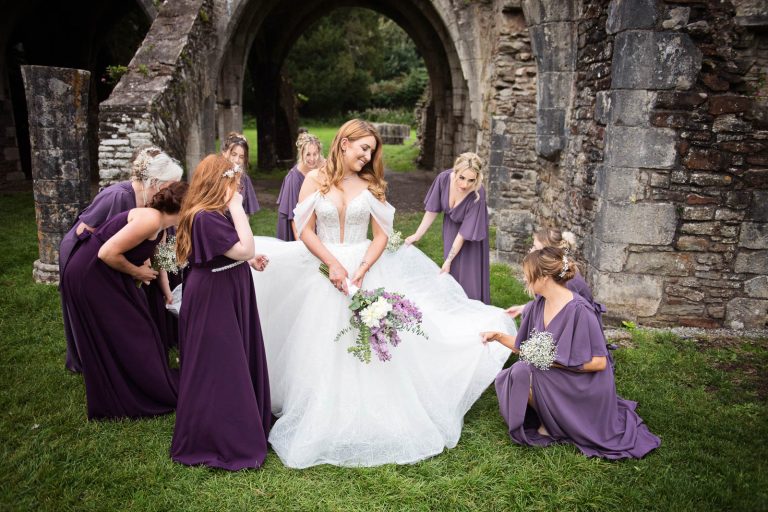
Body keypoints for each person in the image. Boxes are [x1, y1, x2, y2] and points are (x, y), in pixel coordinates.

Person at [250, 120, 515, 468]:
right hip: (322, 269)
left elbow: (379, 235)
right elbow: (304, 229)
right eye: (363, 149)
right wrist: (331, 263)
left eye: (371, 152)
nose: (367, 156)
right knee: (320, 340)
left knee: (371, 344)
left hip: (365, 268)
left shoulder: (371, 184)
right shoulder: (314, 179)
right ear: (344, 143)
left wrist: (361, 268)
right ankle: (320, 405)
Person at [482, 246, 661, 459]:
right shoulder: (537, 306)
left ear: (545, 277)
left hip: (583, 382)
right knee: (516, 374)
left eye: (527, 274)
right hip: (556, 374)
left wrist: (553, 362)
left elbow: (599, 363)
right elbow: (526, 348)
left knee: (524, 370)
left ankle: (560, 424)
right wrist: (498, 337)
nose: (524, 278)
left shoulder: (580, 311)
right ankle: (552, 421)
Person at [171, 155, 271, 471]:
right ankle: (221, 434)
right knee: (220, 363)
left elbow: (230, 252)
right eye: (233, 182)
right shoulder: (205, 216)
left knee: (231, 356)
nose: (237, 187)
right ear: (219, 183)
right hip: (214, 294)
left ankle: (244, 419)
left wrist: (245, 261)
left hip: (226, 283)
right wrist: (238, 207)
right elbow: (245, 247)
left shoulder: (213, 213)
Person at [60, 181, 188, 419]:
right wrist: (136, 272)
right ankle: (130, 391)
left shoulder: (162, 227)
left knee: (141, 328)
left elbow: (159, 263)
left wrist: (168, 293)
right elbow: (106, 253)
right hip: (90, 275)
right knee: (130, 331)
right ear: (183, 208)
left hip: (109, 276)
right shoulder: (150, 219)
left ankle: (141, 382)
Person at [59, 147, 183, 373]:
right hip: (83, 252)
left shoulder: (158, 204)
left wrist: (166, 289)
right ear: (156, 182)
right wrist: (134, 268)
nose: (173, 190)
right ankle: (86, 359)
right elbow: (92, 235)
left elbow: (160, 248)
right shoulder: (118, 197)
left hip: (116, 257)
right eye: (172, 183)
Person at [405, 153, 491, 304]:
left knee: (467, 280)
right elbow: (432, 209)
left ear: (477, 178)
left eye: (471, 180)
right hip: (451, 230)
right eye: (462, 177)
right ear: (455, 171)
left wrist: (449, 260)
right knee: (450, 276)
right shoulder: (443, 179)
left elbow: (463, 234)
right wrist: (417, 235)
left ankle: (469, 313)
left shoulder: (478, 193)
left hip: (470, 237)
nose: (465, 184)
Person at [505, 228, 605, 323]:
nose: (531, 251)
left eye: (536, 248)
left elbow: (567, 318)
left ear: (549, 253)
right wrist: (522, 309)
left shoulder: (566, 282)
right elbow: (547, 301)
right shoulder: (552, 274)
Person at [276, 132, 323, 241]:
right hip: (296, 223)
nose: (312, 159)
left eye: (315, 154)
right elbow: (294, 215)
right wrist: (299, 242)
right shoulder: (294, 178)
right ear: (301, 154)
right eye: (308, 154)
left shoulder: (322, 169)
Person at [221, 131, 260, 215]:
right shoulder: (215, 176)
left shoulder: (244, 179)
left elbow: (246, 214)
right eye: (233, 154)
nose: (237, 160)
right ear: (224, 153)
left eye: (241, 157)